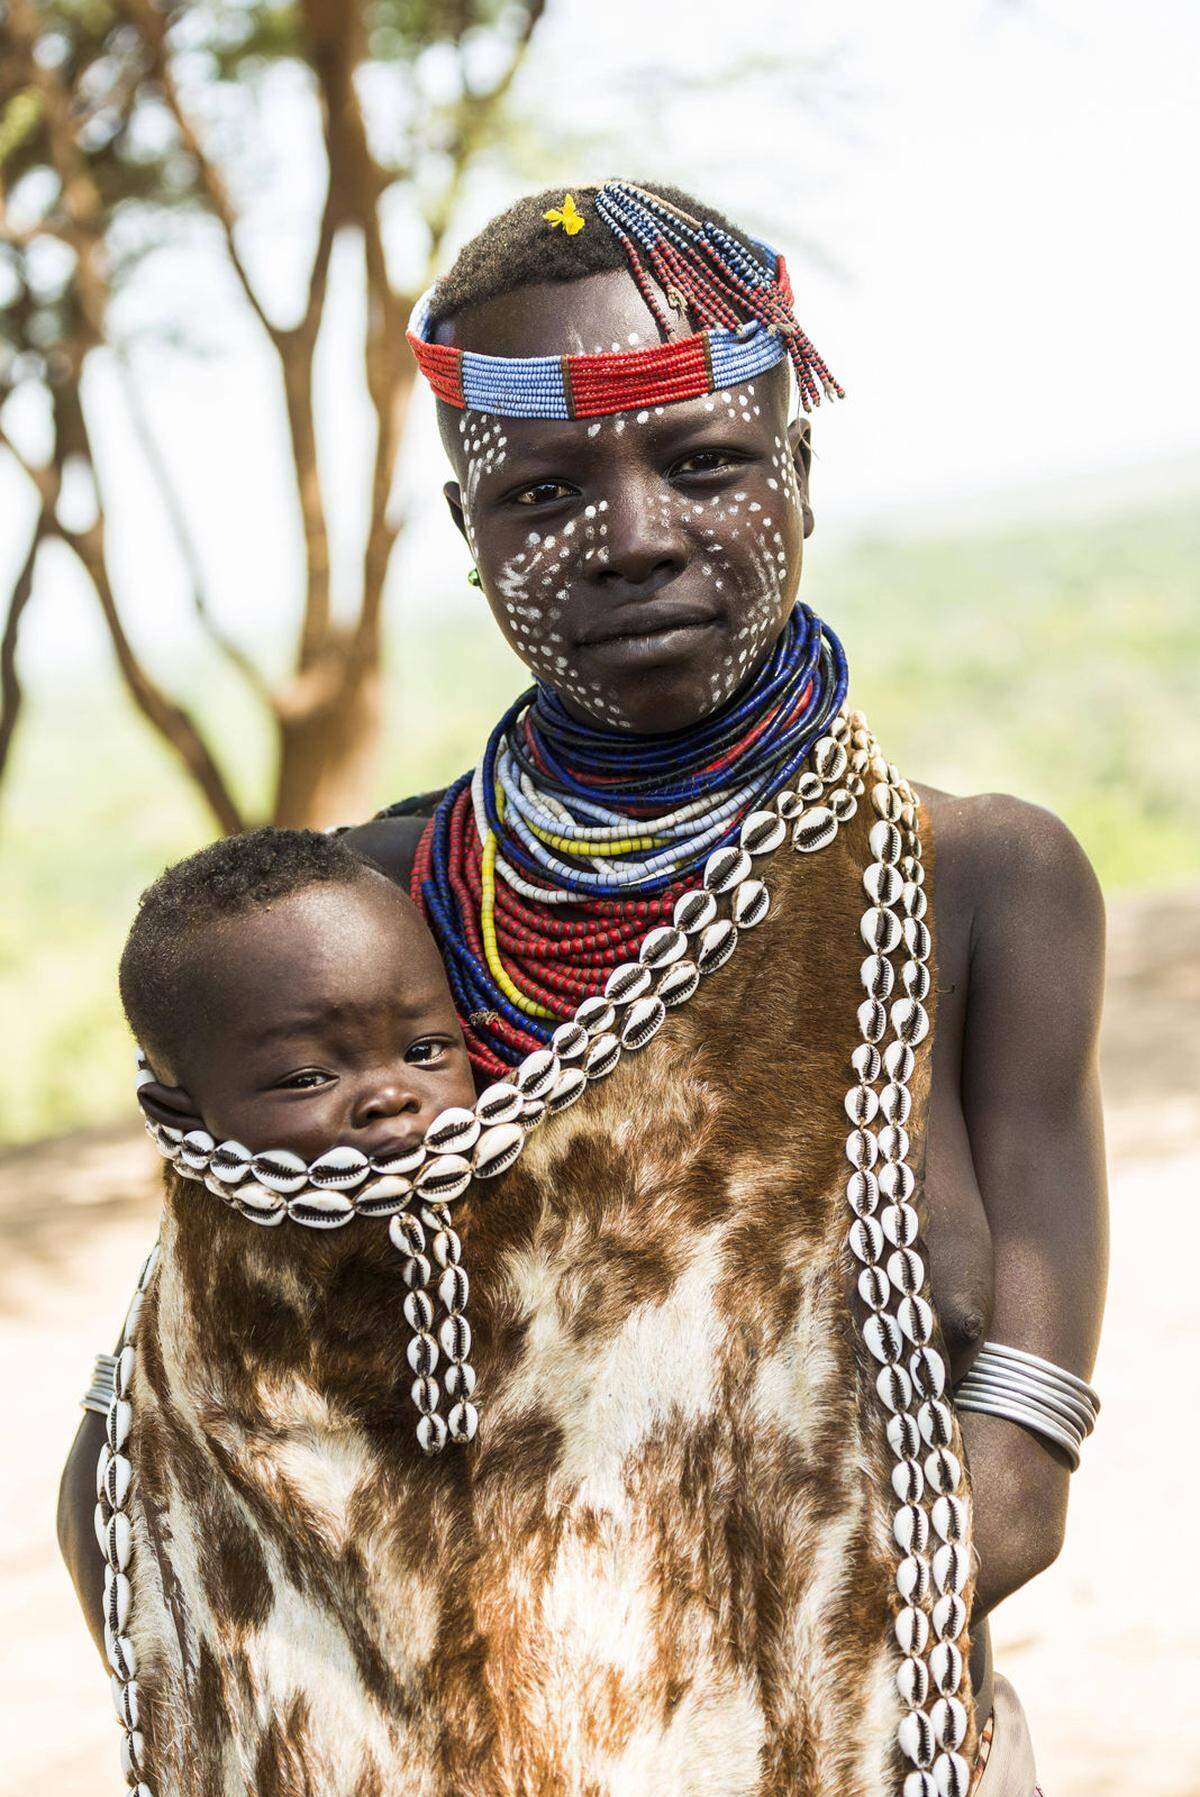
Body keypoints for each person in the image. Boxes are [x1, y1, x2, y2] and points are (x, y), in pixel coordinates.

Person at [60, 181, 1106, 1797]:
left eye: (706, 463)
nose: (632, 536)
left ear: (802, 480)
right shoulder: (370, 921)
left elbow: (1012, 1482)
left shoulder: (979, 888)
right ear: (476, 545)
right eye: (544, 494)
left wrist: (735, 1667)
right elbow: (170, 1428)